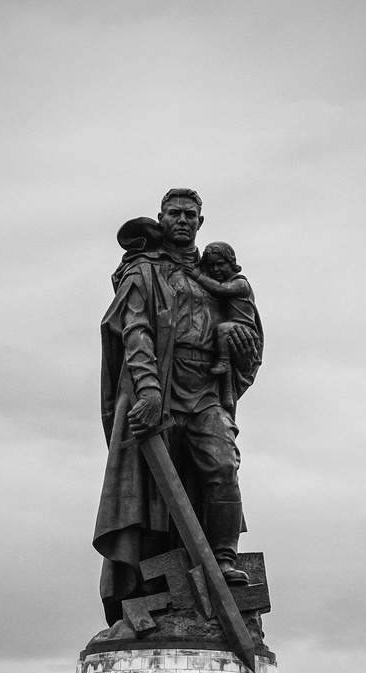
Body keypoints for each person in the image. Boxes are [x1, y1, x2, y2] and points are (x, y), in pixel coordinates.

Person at [93, 188, 263, 627]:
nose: (182, 220)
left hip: (205, 385)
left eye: (191, 214)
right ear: (161, 218)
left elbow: (248, 332)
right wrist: (148, 391)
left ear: (201, 223)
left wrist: (236, 332)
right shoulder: (145, 271)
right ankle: (151, 593)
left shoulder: (218, 275)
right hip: (162, 388)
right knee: (152, 494)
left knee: (222, 467)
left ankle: (223, 561)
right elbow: (135, 331)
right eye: (174, 213)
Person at [185, 241, 258, 412]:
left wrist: (198, 276)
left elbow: (221, 289)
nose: (215, 269)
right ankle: (226, 395)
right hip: (230, 328)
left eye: (220, 264)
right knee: (226, 368)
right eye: (211, 266)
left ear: (232, 263)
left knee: (222, 329)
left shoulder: (241, 283)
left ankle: (224, 362)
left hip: (242, 328)